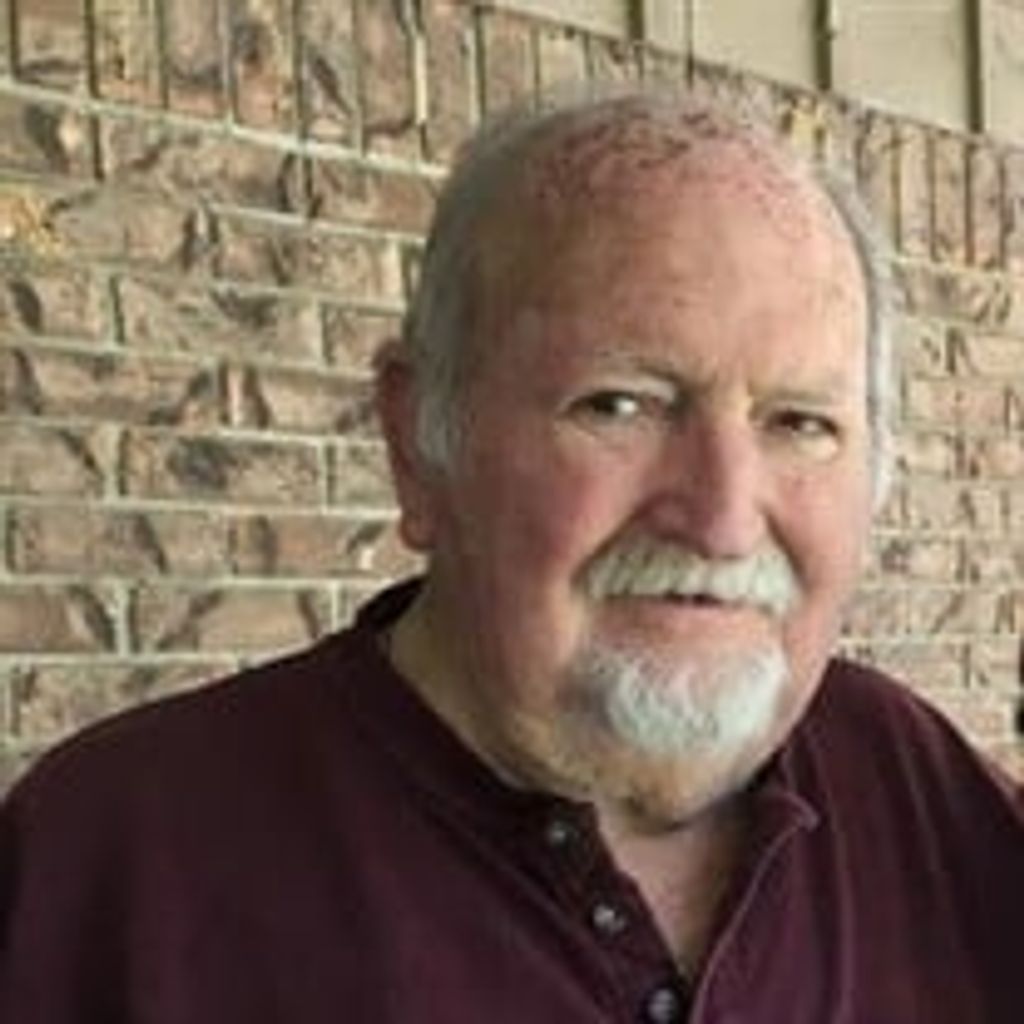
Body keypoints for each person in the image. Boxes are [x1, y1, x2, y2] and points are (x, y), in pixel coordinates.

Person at [1, 90, 1022, 1024]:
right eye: (619, 404)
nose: (721, 518)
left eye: (800, 422)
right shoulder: (108, 868)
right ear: (418, 441)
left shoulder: (931, 804)